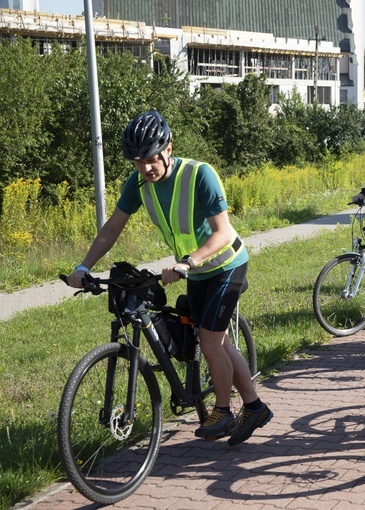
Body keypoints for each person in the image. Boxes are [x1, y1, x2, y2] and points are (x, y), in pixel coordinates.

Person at [66, 110, 272, 446]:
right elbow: (112, 228)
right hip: (196, 270)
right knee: (219, 343)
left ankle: (224, 410)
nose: (146, 167)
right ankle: (255, 407)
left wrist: (187, 263)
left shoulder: (199, 175)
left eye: (150, 158)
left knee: (210, 343)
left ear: (168, 149)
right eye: (137, 161)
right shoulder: (137, 185)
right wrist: (84, 266)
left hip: (226, 265)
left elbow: (222, 232)